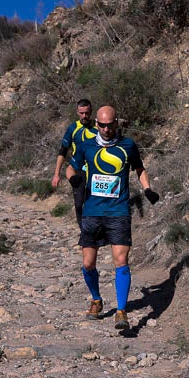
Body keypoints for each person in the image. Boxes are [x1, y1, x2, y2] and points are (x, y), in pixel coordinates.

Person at [66, 105, 158, 330]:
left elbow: (139, 169)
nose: (107, 129)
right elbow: (71, 168)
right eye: (103, 125)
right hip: (92, 212)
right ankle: (96, 300)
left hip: (118, 212)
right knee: (88, 263)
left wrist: (147, 189)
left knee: (121, 261)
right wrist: (74, 180)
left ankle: (121, 311)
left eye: (110, 124)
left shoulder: (127, 145)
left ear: (117, 123)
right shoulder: (87, 147)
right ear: (97, 124)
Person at [51, 99, 94, 223]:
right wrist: (56, 175)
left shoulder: (98, 127)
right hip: (77, 170)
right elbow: (62, 151)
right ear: (77, 112)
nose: (84, 116)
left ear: (91, 111)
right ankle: (84, 232)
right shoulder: (73, 128)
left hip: (95, 170)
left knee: (93, 202)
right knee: (79, 204)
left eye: (86, 113)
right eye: (81, 113)